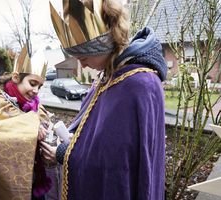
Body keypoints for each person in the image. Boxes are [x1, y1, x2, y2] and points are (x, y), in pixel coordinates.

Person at [40, 0, 167, 199]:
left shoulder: (140, 84)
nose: (83, 65)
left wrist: (65, 153)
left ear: (104, 42)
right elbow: (97, 136)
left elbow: (119, 164)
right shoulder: (108, 76)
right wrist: (73, 138)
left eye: (83, 57)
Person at [0, 47, 53, 200]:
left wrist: (45, 129)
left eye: (40, 86)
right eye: (32, 83)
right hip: (5, 179)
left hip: (34, 177)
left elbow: (43, 121)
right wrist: (31, 129)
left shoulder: (34, 104)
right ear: (15, 77)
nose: (36, 90)